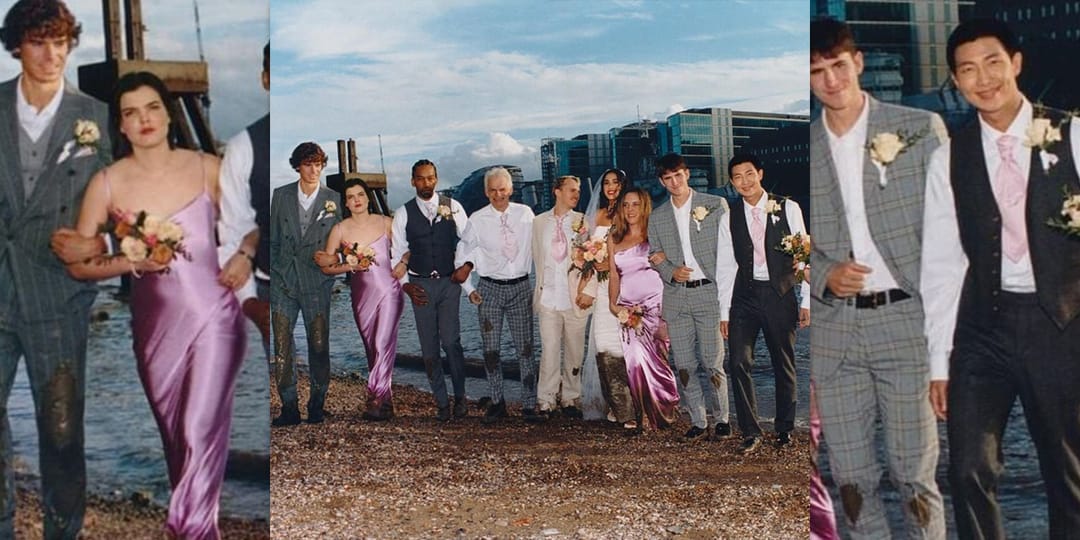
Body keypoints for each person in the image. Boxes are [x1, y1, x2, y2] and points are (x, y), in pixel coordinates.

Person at [65, 71, 245, 539]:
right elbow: (80, 264)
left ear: (167, 113)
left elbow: (250, 226)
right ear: (120, 125)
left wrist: (245, 255)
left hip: (215, 318)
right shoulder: (107, 184)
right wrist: (131, 260)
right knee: (176, 441)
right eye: (131, 112)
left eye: (152, 107)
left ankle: (191, 531)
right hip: (154, 330)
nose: (144, 119)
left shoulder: (208, 168)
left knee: (197, 430)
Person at [922, 18, 1080, 538]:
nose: (983, 78)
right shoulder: (949, 157)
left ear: (1016, 63)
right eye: (967, 69)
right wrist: (939, 361)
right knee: (967, 469)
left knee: (1068, 474)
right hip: (981, 328)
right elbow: (942, 263)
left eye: (993, 63)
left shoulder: (1073, 135)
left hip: (1061, 324)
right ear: (955, 80)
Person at [809, 18, 947, 538]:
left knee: (915, 479)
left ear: (859, 62)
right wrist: (824, 272)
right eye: (817, 71)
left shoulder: (919, 129)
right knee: (851, 482)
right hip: (835, 335)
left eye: (838, 65)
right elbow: (785, 240)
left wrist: (949, 345)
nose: (831, 80)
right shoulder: (806, 145)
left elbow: (952, 238)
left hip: (906, 324)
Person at [0, 1, 109, 536]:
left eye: (60, 41)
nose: (50, 54)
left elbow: (127, 204)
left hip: (58, 298)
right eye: (38, 41)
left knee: (62, 435)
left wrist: (101, 241)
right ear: (16, 46)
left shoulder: (97, 117)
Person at [715, 153, 808, 454]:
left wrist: (806, 300)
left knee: (783, 362)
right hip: (744, 297)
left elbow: (804, 254)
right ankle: (750, 431)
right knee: (738, 362)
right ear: (731, 182)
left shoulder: (788, 207)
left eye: (749, 174)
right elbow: (725, 266)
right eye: (737, 177)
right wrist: (724, 312)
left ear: (760, 174)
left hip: (780, 294)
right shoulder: (728, 217)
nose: (744, 182)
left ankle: (784, 428)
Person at [646, 153, 729, 440]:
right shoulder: (657, 216)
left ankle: (722, 418)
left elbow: (730, 251)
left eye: (678, 176)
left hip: (709, 293)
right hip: (676, 298)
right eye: (668, 178)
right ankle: (698, 420)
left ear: (687, 174)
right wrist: (671, 270)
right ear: (661, 181)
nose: (674, 182)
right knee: (684, 365)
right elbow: (653, 254)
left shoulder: (715, 205)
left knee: (712, 362)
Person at [390, 159, 474, 421]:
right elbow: (397, 252)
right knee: (429, 349)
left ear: (436, 179)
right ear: (412, 181)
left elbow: (470, 240)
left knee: (451, 342)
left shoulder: (453, 206)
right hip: (420, 284)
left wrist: (467, 266)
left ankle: (460, 397)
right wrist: (406, 286)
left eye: (430, 178)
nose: (426, 183)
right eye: (420, 178)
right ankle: (441, 403)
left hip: (449, 283)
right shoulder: (403, 213)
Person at [314, 178, 403, 421]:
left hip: (389, 291)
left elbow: (406, 249)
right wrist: (350, 265)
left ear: (367, 197)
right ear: (346, 203)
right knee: (372, 347)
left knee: (382, 343)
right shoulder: (340, 230)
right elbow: (326, 267)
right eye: (351, 197)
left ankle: (375, 399)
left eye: (360, 194)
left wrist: (404, 263)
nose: (357, 200)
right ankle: (386, 402)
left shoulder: (386, 223)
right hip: (361, 295)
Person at [459, 167, 538, 423]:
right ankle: (497, 402)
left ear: (511, 189)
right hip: (489, 289)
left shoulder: (526, 215)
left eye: (502, 189)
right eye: (492, 190)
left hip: (521, 288)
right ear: (486, 192)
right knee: (491, 350)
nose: (498, 194)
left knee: (525, 349)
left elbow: (541, 248)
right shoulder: (477, 220)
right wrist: (469, 289)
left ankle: (529, 405)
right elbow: (463, 255)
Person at [269, 142, 340, 426]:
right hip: (283, 282)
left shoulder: (334, 199)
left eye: (318, 164)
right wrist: (273, 273)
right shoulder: (280, 195)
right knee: (282, 346)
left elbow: (344, 239)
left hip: (317, 282)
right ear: (297, 166)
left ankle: (317, 405)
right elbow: (273, 239)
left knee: (319, 346)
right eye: (308, 164)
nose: (313, 170)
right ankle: (289, 408)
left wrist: (336, 260)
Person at [608, 188, 679, 429]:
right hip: (630, 309)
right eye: (626, 205)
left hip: (657, 305)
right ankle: (645, 415)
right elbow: (614, 276)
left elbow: (669, 268)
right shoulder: (614, 237)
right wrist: (613, 304)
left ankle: (666, 408)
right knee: (635, 361)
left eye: (635, 204)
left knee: (659, 360)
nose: (630, 209)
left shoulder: (655, 234)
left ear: (644, 206)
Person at [217, 41, 270, 354]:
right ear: (266, 79)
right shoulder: (242, 148)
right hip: (270, 289)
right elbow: (233, 229)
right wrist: (250, 303)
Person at [531, 175, 590, 420]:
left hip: (574, 298)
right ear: (557, 191)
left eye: (578, 191)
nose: (576, 195)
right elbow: (533, 255)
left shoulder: (584, 221)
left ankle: (570, 398)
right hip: (547, 297)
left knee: (575, 352)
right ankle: (546, 400)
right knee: (549, 350)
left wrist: (587, 292)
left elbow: (592, 261)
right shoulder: (538, 222)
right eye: (571, 190)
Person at [579, 168, 634, 426]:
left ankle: (634, 406)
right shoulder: (597, 215)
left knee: (627, 346)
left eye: (616, 182)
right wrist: (590, 263)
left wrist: (612, 262)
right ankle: (617, 404)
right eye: (607, 183)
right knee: (603, 345)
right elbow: (585, 251)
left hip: (626, 286)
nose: (611, 187)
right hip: (602, 290)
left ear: (624, 185)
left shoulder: (629, 213)